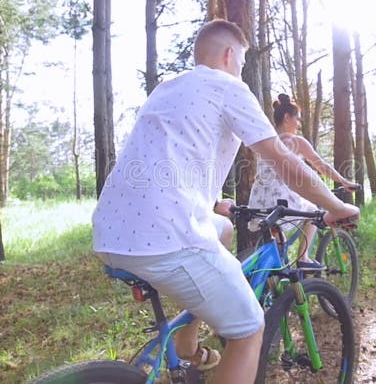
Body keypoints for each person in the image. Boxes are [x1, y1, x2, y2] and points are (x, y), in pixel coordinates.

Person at [92, 19, 360, 384]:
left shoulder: (166, 88)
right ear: (230, 54)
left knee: (223, 230)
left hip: (111, 233)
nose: (241, 69)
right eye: (242, 61)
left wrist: (214, 201)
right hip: (166, 239)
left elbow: (170, 152)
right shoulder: (228, 86)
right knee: (250, 329)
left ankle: (187, 342)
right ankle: (215, 338)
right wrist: (336, 205)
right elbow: (281, 159)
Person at [249, 94, 361, 270]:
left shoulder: (266, 141)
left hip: (258, 200)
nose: (299, 124)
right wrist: (344, 182)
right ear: (287, 117)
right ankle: (304, 257)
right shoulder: (295, 141)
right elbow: (322, 166)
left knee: (278, 248)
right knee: (314, 211)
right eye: (297, 119)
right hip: (280, 199)